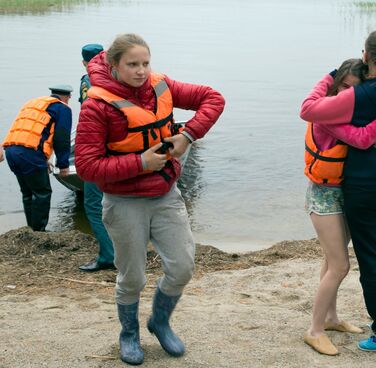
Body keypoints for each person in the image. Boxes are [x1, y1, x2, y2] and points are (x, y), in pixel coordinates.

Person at [75, 33, 225, 365]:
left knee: (183, 266)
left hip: (165, 194)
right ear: (114, 65)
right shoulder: (97, 106)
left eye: (145, 63)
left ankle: (159, 321)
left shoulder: (162, 86)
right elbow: (86, 167)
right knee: (132, 277)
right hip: (123, 201)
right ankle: (129, 333)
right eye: (132, 64)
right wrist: (140, 162)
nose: (141, 71)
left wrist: (187, 135)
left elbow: (213, 98)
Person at [301, 29, 376, 353]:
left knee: (351, 261)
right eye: (344, 87)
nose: (348, 92)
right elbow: (367, 137)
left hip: (356, 190)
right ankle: (319, 328)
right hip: (332, 193)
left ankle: (350, 322)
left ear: (366, 58)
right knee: (343, 264)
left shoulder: (356, 99)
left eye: (353, 86)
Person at [2, 85, 73, 231]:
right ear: (68, 97)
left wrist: (43, 159)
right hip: (29, 154)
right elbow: (62, 138)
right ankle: (39, 232)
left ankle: (31, 229)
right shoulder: (63, 108)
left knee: (28, 192)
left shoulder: (33, 103)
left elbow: (31, 131)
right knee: (42, 193)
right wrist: (63, 165)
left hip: (11, 151)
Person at [77, 43, 117, 272]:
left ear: (84, 62)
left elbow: (88, 114)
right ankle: (130, 250)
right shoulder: (120, 76)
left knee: (93, 205)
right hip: (123, 150)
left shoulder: (88, 80)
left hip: (99, 151)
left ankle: (109, 256)